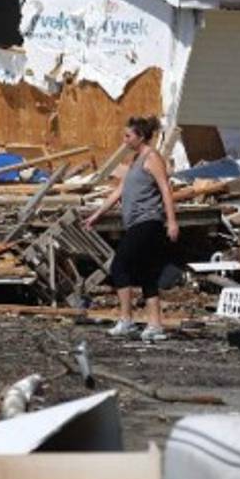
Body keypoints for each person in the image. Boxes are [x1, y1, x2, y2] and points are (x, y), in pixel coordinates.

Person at [84, 116, 179, 341]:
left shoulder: (152, 157)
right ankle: (155, 325)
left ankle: (126, 319)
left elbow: (166, 189)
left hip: (148, 221)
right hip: (135, 223)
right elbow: (119, 191)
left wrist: (172, 221)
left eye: (128, 136)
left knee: (119, 266)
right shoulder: (136, 159)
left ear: (141, 137)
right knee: (147, 273)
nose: (124, 140)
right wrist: (97, 215)